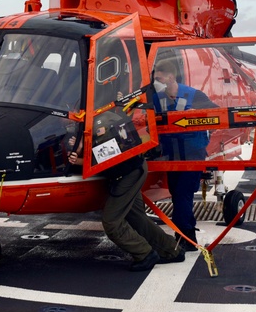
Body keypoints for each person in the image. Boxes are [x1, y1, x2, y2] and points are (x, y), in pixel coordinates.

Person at [68, 112, 184, 271]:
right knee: (136, 217)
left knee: (112, 222)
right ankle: (172, 250)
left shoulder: (99, 123)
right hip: (133, 170)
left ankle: (145, 253)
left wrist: (79, 157)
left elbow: (106, 157)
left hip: (128, 174)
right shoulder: (100, 117)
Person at [152, 58, 215, 251]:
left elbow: (216, 113)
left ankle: (184, 239)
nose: (156, 81)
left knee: (182, 194)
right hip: (171, 155)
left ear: (170, 77)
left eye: (159, 78)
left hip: (192, 154)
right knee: (177, 194)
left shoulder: (194, 95)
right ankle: (188, 236)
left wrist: (197, 115)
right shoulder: (157, 97)